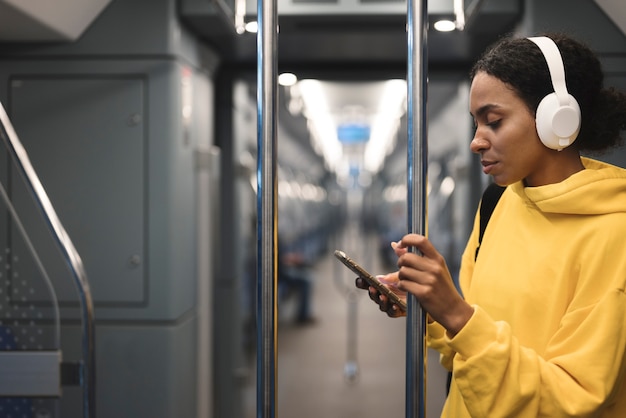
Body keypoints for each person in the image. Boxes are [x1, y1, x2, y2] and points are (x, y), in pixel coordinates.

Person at [356, 32, 626, 417]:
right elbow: (475, 342)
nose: (476, 142)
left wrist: (456, 313)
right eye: (475, 123)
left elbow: (573, 398)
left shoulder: (614, 234)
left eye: (493, 121)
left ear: (557, 118)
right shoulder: (498, 202)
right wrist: (432, 307)